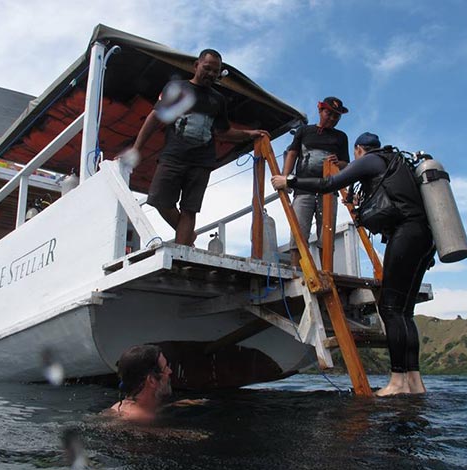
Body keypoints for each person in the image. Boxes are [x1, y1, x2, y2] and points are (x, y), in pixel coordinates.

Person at [271, 132, 435, 396]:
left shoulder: (371, 160)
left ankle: (396, 382)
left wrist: (288, 180)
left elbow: (329, 182)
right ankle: (414, 383)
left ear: (359, 150)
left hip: (406, 234)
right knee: (404, 312)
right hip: (425, 237)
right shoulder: (396, 163)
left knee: (390, 310)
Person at [130, 49, 269, 246]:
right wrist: (136, 148)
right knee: (159, 199)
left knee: (190, 208)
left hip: (201, 162)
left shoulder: (218, 100)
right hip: (173, 156)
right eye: (207, 68)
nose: (211, 74)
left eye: (215, 71)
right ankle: (188, 236)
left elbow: (223, 131)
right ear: (197, 66)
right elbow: (155, 118)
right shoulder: (176, 88)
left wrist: (249, 134)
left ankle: (182, 249)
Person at [282, 97, 350, 267]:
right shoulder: (304, 131)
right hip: (303, 188)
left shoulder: (341, 137)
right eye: (329, 113)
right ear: (320, 111)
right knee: (298, 231)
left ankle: (327, 272)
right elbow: (292, 153)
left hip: (328, 190)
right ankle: (296, 272)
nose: (333, 118)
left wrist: (338, 162)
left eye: (337, 116)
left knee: (326, 235)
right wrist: (285, 177)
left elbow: (345, 164)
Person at [108, 344, 173, 422]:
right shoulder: (140, 418)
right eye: (165, 368)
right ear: (151, 380)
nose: (170, 371)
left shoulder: (122, 406)